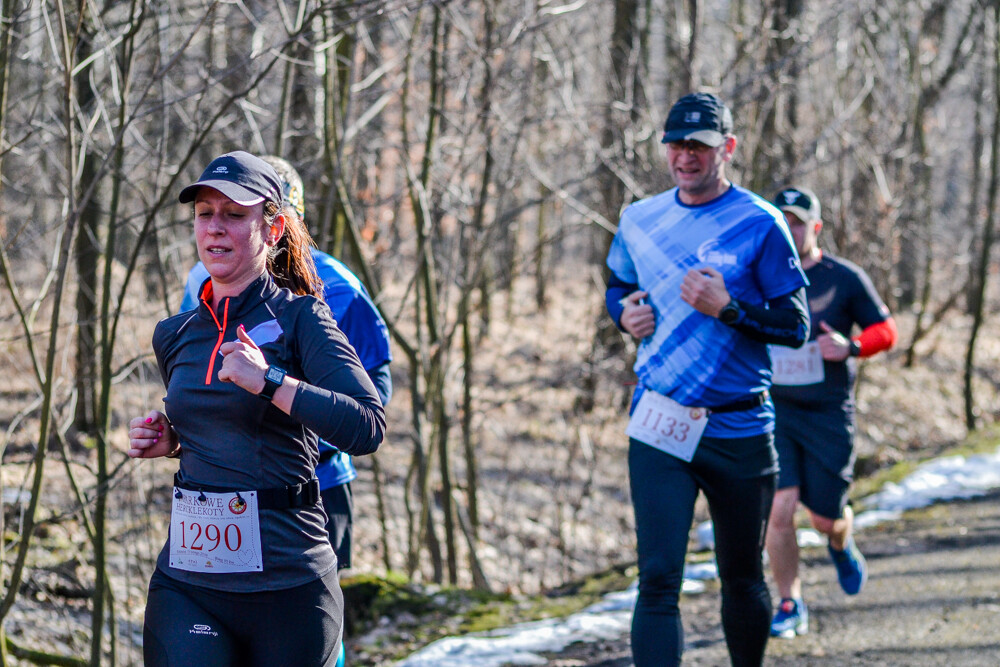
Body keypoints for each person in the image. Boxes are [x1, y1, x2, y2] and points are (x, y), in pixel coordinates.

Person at [128, 150, 385, 667]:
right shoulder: (174, 334)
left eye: (235, 214)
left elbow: (367, 424)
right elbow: (220, 425)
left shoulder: (303, 318)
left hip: (288, 584)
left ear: (274, 229)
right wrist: (172, 440)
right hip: (190, 581)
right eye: (205, 214)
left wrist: (269, 381)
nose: (215, 228)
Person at [604, 92, 810, 667]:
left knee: (741, 576)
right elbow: (617, 285)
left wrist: (729, 310)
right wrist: (623, 313)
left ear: (728, 149)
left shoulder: (761, 222)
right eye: (677, 144)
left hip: (738, 424)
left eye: (700, 145)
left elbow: (796, 327)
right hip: (659, 421)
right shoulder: (639, 219)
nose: (686, 157)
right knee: (658, 578)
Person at [765, 186, 897, 638]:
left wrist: (851, 346)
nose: (789, 228)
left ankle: (840, 543)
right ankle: (789, 602)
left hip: (826, 413)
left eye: (798, 221)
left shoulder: (844, 277)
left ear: (815, 227)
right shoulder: (760, 273)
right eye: (782, 220)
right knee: (780, 508)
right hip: (775, 410)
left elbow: (887, 330)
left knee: (824, 518)